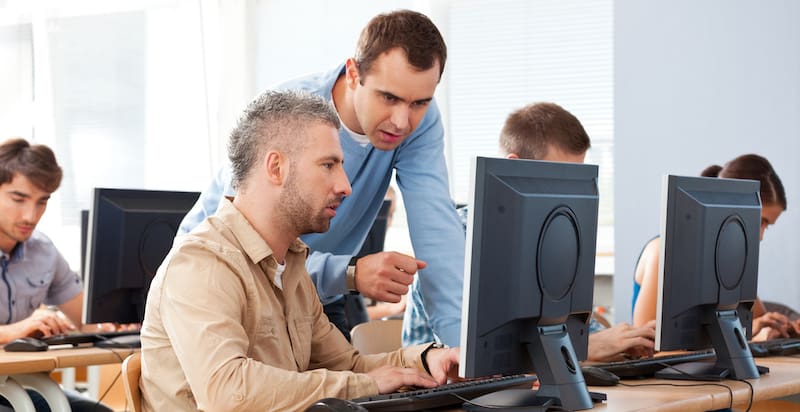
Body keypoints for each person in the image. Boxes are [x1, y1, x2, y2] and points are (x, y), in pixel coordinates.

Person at [139, 90, 460, 412]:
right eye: (328, 165)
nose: (345, 186)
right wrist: (367, 384)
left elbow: (349, 366)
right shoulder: (202, 265)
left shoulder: (291, 264)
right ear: (276, 167)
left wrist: (426, 358)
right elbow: (228, 393)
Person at [177, 9, 465, 346]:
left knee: (362, 392)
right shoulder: (288, 115)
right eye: (389, 98)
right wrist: (349, 273)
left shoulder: (421, 123)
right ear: (354, 74)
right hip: (231, 287)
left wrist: (464, 352)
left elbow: (438, 237)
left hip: (314, 295)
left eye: (419, 102)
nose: (402, 121)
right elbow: (249, 254)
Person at [406, 102, 657, 361]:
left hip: (526, 387)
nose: (569, 196)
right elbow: (465, 356)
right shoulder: (456, 238)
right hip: (445, 391)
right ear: (514, 166)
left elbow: (577, 330)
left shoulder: (554, 235)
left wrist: (621, 343)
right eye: (559, 178)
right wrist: (581, 349)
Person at [632, 154, 800, 340]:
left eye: (767, 226)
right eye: (759, 222)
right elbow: (643, 345)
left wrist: (780, 329)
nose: (760, 236)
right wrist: (744, 336)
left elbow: (757, 321)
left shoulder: (732, 257)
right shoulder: (662, 252)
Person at [0, 137, 113, 412]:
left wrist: (115, 325)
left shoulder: (44, 252)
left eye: (42, 202)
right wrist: (10, 332)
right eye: (19, 199)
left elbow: (88, 321)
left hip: (19, 385)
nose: (31, 215)